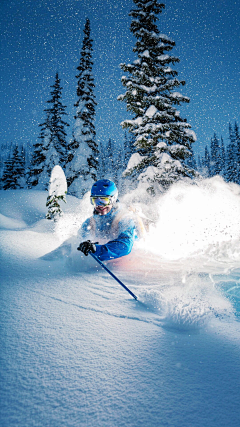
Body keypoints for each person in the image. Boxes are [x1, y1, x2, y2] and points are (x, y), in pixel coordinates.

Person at [77, 179, 144, 262]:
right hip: (106, 262)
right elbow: (80, 238)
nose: (99, 206)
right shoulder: (91, 222)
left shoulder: (124, 218)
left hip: (132, 260)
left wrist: (97, 249)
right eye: (96, 201)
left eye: (104, 201)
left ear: (113, 199)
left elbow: (125, 246)